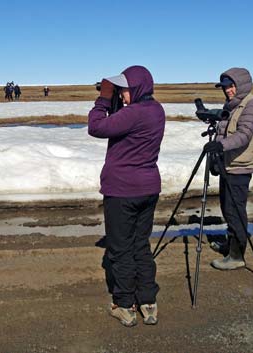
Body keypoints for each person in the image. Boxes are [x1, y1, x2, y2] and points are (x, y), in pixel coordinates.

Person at [88, 65, 165, 327]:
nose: (121, 95)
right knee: (140, 245)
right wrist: (117, 97)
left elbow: (96, 127)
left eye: (124, 89)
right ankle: (148, 301)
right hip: (148, 189)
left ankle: (124, 305)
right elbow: (125, 121)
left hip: (122, 191)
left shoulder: (134, 114)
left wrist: (102, 99)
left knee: (120, 249)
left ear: (137, 87)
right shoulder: (155, 110)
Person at [203, 67, 253, 271]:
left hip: (241, 165)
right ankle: (232, 245)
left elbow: (244, 134)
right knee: (226, 207)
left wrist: (220, 146)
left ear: (241, 84)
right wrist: (216, 154)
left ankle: (237, 256)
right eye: (225, 87)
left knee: (234, 211)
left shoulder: (251, 104)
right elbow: (224, 132)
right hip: (228, 164)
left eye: (231, 86)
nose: (228, 90)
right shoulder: (232, 105)